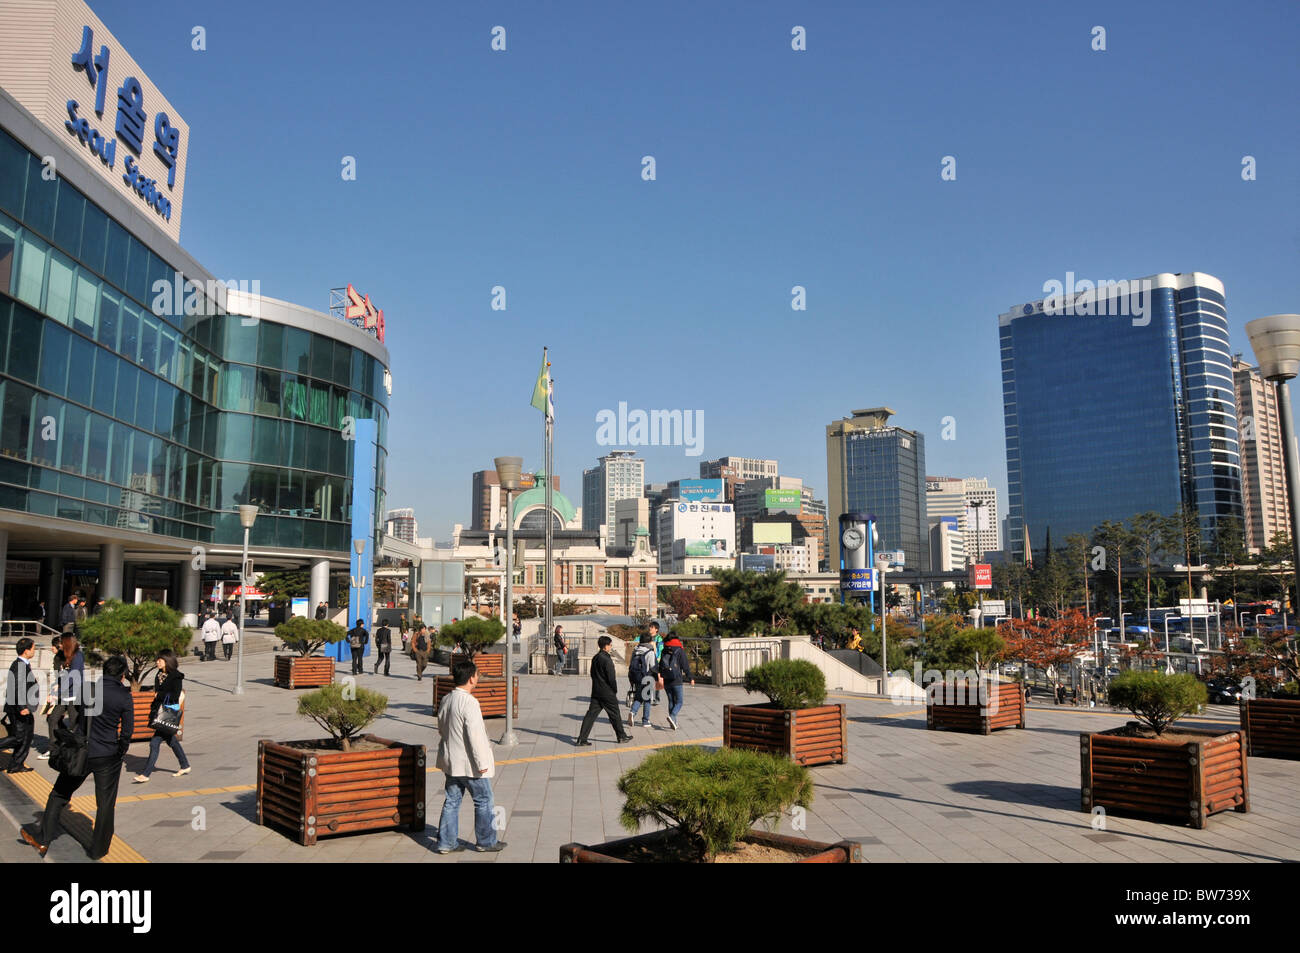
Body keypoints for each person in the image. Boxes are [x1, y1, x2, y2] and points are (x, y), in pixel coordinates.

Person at [21, 654, 133, 859]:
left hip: (82, 751)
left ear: (104, 672)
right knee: (106, 804)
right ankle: (98, 850)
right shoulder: (124, 696)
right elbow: (127, 730)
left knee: (59, 794)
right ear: (123, 675)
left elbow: (78, 716)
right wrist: (120, 750)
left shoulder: (89, 690)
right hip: (108, 755)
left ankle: (43, 839)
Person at [435, 661, 505, 854]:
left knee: (452, 800)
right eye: (477, 674)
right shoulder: (470, 702)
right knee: (483, 799)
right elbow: (476, 736)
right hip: (470, 764)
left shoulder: (447, 699)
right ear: (471, 678)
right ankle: (486, 841)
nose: (478, 677)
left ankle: (446, 843)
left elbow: (441, 728)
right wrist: (482, 764)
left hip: (452, 761)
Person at [133, 650, 191, 783]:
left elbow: (175, 696)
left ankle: (146, 774)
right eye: (157, 660)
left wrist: (158, 695)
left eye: (159, 660)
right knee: (172, 741)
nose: (157, 662)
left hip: (167, 712)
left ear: (167, 661)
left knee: (154, 743)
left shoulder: (176, 677)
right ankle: (185, 765)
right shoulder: (159, 674)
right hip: (158, 711)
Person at [576, 636, 632, 746]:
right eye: (610, 645)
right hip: (607, 692)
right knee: (615, 714)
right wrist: (614, 690)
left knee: (591, 715)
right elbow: (611, 678)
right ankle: (621, 736)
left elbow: (592, 674)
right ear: (606, 646)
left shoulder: (596, 657)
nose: (611, 647)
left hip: (596, 691)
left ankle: (581, 739)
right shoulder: (607, 659)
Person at [1, 638, 39, 773]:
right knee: (18, 737)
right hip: (19, 708)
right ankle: (15, 764)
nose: (35, 651)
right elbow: (17, 689)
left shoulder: (22, 665)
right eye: (33, 648)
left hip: (23, 707)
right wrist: (22, 707)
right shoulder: (20, 666)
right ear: (26, 651)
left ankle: (16, 765)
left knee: (27, 736)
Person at [658, 629, 694, 730]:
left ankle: (673, 723)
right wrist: (690, 677)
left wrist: (660, 676)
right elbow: (685, 665)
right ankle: (672, 716)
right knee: (679, 701)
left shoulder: (664, 649)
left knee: (671, 701)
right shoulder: (679, 650)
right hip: (676, 679)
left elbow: (661, 664)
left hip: (666, 678)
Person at [627, 633, 658, 729]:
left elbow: (631, 663)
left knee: (639, 697)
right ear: (649, 641)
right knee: (647, 699)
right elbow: (653, 666)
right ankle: (645, 721)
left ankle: (633, 712)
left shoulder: (636, 650)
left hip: (636, 677)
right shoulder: (650, 651)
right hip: (647, 677)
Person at [649, 621, 665, 704]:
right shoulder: (646, 637)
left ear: (656, 629)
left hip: (656, 662)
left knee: (657, 680)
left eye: (652, 627)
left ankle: (656, 698)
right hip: (648, 661)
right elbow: (636, 641)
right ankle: (647, 697)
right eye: (650, 627)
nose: (650, 629)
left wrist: (658, 659)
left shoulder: (659, 639)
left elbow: (661, 650)